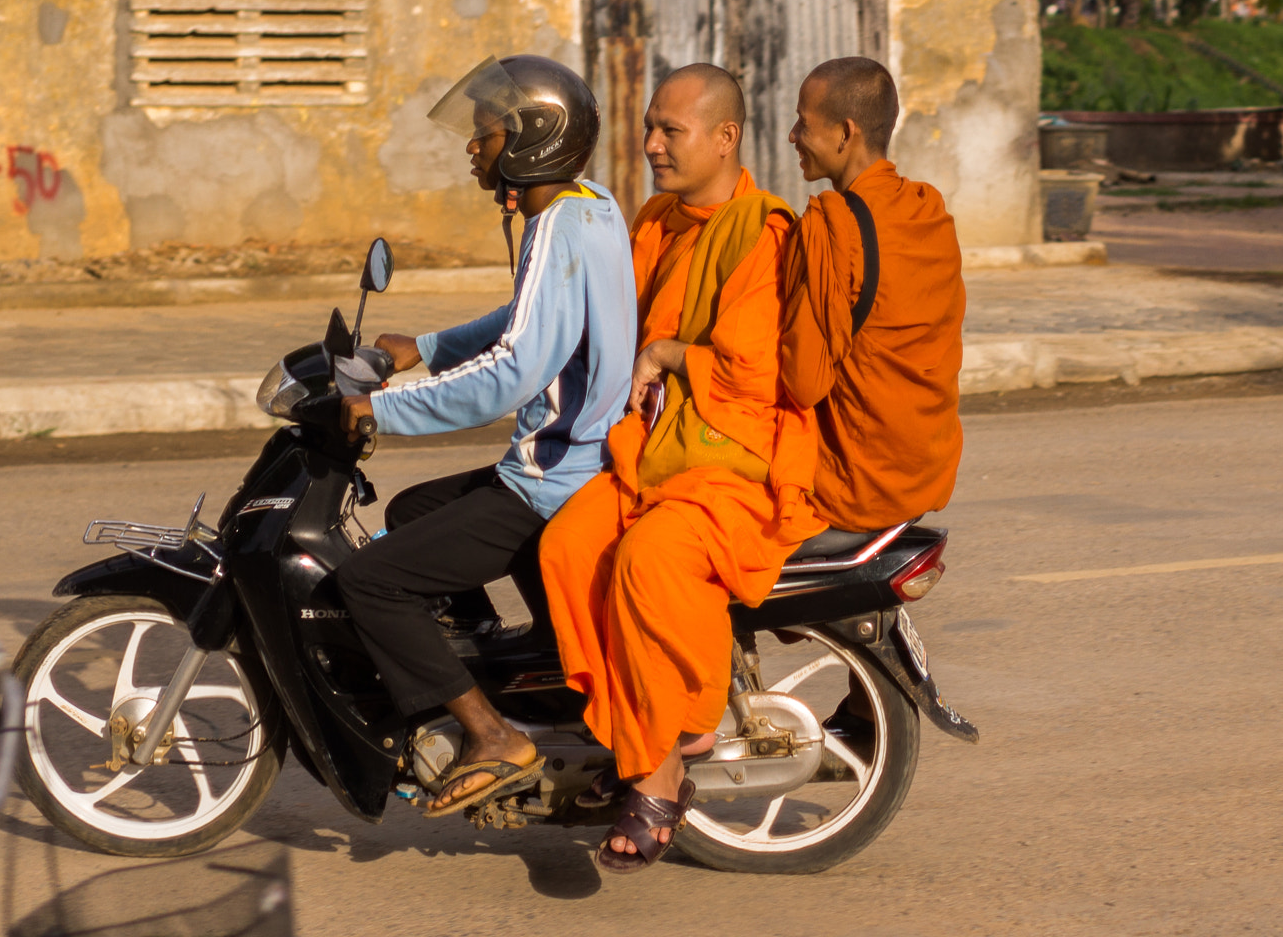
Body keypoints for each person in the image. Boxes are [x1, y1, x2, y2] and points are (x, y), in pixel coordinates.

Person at [538, 63, 824, 873]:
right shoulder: (658, 219)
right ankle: (634, 744)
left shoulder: (764, 231)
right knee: (565, 548)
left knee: (649, 560)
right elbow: (608, 315)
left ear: (725, 138)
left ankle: (669, 752)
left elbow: (755, 368)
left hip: (731, 458)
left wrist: (667, 351)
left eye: (672, 131)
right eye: (650, 128)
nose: (652, 145)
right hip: (652, 449)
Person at [333, 55, 635, 818]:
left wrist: (383, 412)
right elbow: (530, 319)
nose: (473, 149)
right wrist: (426, 348)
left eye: (485, 135)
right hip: (579, 461)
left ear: (534, 141)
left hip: (549, 480)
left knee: (371, 583)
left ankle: (490, 733)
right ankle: (493, 675)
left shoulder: (557, 223)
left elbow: (515, 369)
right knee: (410, 512)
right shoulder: (589, 205)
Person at [781, 55, 965, 747]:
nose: (793, 135)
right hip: (924, 460)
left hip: (853, 480)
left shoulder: (830, 226)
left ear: (846, 132)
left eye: (804, 123)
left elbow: (802, 382)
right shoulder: (927, 210)